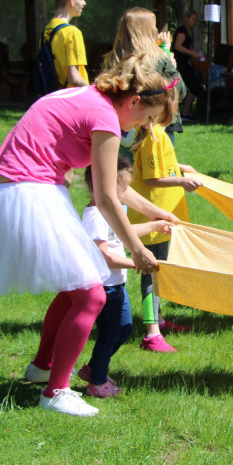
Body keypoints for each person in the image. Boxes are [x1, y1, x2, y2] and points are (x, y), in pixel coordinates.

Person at [0, 52, 177, 417]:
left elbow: (111, 187)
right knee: (91, 296)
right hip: (29, 192)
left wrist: (156, 212)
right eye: (145, 118)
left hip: (16, 191)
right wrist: (138, 250)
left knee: (73, 292)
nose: (142, 127)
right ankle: (56, 392)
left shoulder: (87, 97)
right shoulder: (106, 119)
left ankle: (42, 367)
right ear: (131, 102)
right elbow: (107, 198)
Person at [79, 160, 173, 397]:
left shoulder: (113, 212)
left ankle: (93, 369)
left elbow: (124, 233)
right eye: (122, 189)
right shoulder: (94, 216)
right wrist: (136, 262)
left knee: (124, 329)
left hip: (116, 285)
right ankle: (97, 383)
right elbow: (104, 256)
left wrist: (156, 224)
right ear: (103, 187)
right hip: (104, 287)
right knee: (110, 333)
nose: (125, 195)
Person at [127, 118, 202, 353]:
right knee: (152, 275)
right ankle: (152, 333)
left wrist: (180, 167)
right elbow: (151, 177)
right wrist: (182, 180)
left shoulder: (157, 133)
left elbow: (158, 165)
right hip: (154, 221)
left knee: (159, 273)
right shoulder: (153, 135)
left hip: (161, 218)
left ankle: (157, 320)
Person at [103, 7, 187, 145]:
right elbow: (180, 91)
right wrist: (172, 66)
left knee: (123, 166)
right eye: (153, 26)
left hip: (120, 128)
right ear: (148, 30)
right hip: (155, 127)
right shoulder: (159, 58)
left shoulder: (113, 58)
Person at [43, 0, 89, 88]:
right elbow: (74, 79)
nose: (84, 3)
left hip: (56, 95)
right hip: (74, 97)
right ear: (72, 1)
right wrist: (92, 94)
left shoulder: (47, 30)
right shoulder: (72, 32)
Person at [172, 10, 206, 120]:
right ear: (186, 18)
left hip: (185, 63)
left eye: (196, 19)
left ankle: (187, 111)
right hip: (180, 64)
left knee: (194, 86)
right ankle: (185, 112)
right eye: (193, 19)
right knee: (194, 86)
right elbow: (178, 46)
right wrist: (192, 53)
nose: (195, 22)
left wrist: (195, 52)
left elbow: (187, 46)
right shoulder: (182, 30)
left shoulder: (188, 31)